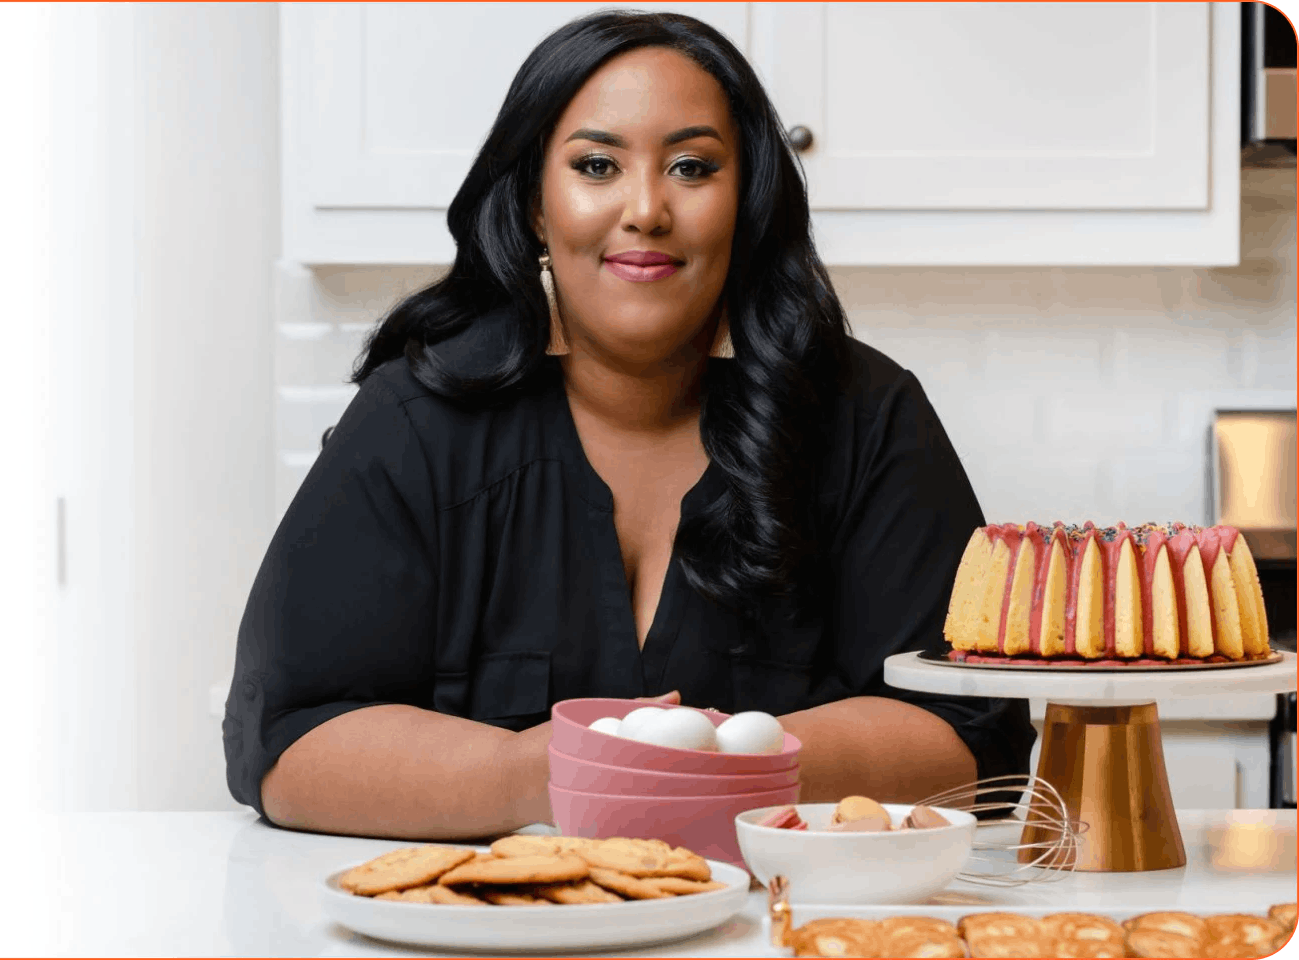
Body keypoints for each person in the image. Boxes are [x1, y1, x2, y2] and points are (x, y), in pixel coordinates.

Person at [223, 10, 1033, 840]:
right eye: (596, 165)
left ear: (745, 200)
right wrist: (563, 775)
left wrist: (721, 767)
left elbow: (980, 740)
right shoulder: (415, 422)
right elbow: (284, 742)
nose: (646, 209)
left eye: (691, 166)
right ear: (537, 204)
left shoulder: (866, 417)